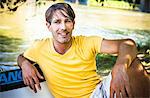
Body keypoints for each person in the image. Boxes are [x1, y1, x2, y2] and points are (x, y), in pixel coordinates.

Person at [17, 3, 149, 98]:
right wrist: (24, 64)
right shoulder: (39, 47)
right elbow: (21, 57)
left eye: (67, 21)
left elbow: (128, 44)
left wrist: (120, 67)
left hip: (97, 94)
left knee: (133, 65)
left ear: (73, 24)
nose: (63, 27)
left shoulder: (86, 42)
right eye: (57, 22)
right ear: (48, 26)